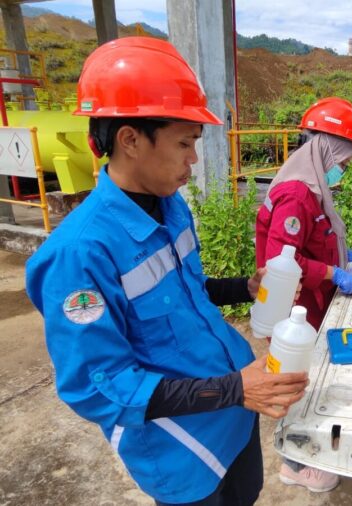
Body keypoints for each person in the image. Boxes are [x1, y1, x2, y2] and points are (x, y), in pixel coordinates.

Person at [25, 37, 308, 506]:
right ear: (130, 139)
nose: (193, 160)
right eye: (184, 143)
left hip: (234, 418)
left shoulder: (169, 207)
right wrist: (236, 387)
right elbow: (100, 387)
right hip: (182, 448)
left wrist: (244, 287)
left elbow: (185, 294)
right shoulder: (79, 255)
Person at [255, 97, 352, 492]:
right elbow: (280, 260)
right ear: (325, 149)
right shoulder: (297, 194)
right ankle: (294, 463)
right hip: (292, 306)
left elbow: (315, 240)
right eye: (343, 160)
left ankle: (305, 448)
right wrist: (332, 271)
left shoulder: (313, 189)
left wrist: (345, 254)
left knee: (306, 377)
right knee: (290, 380)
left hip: (309, 304)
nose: (342, 169)